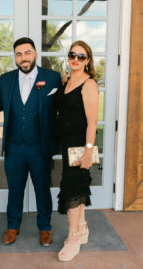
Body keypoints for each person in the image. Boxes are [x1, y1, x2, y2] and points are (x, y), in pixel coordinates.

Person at [0, 37, 61, 246]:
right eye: (19, 54)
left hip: (40, 147)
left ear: (35, 54)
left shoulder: (53, 78)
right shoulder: (6, 79)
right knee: (15, 189)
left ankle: (45, 227)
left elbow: (63, 107)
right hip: (14, 146)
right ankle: (13, 226)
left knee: (42, 189)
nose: (23, 58)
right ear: (15, 57)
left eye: (27, 53)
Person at [55, 40, 99, 261]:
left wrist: (88, 152)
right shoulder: (67, 81)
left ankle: (73, 237)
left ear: (87, 61)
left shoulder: (89, 84)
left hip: (80, 145)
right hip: (66, 144)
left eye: (81, 56)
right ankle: (82, 227)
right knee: (78, 186)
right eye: (72, 55)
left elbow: (92, 122)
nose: (76, 59)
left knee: (72, 188)